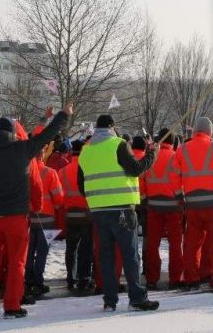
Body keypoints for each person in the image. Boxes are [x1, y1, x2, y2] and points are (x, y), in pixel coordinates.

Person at [0, 104, 69, 319]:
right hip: (16, 217)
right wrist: (62, 115)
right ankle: (12, 305)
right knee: (17, 263)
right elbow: (47, 136)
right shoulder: (22, 149)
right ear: (12, 133)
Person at [77, 113, 159, 312]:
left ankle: (110, 299)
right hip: (122, 208)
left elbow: (81, 184)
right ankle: (137, 298)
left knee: (105, 256)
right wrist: (152, 155)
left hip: (98, 211)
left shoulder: (85, 151)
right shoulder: (118, 144)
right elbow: (135, 169)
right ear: (112, 127)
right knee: (130, 255)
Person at [179, 117, 213, 292]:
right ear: (210, 132)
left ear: (194, 131)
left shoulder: (182, 149)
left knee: (192, 243)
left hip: (192, 203)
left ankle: (192, 278)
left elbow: (174, 175)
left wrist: (180, 196)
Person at [142, 129, 184, 290]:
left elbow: (142, 179)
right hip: (173, 205)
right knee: (175, 244)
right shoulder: (176, 157)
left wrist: (145, 197)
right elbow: (181, 179)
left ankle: (152, 278)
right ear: (173, 143)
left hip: (153, 205)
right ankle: (176, 278)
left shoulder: (151, 157)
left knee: (153, 244)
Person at [26, 152, 64, 295]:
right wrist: (56, 206)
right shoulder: (50, 173)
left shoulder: (25, 172)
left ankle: (27, 279)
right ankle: (38, 281)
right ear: (42, 155)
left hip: (29, 218)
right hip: (47, 219)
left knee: (28, 252)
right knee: (43, 251)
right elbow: (59, 197)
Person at [59, 139, 93, 291]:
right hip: (86, 214)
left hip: (70, 213)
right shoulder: (88, 169)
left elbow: (59, 194)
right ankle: (83, 276)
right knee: (85, 247)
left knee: (71, 247)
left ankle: (70, 276)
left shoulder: (63, 171)